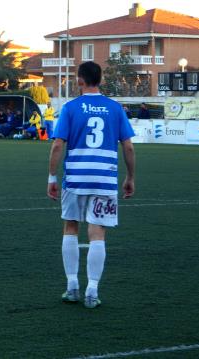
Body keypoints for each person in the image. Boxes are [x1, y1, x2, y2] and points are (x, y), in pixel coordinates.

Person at [47, 61, 136, 309]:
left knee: (70, 227)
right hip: (104, 181)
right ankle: (92, 291)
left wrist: (52, 177)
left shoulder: (71, 108)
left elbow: (57, 145)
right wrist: (130, 177)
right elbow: (128, 146)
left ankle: (72, 287)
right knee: (97, 233)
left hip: (75, 179)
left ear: (80, 80)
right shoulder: (115, 108)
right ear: (101, 80)